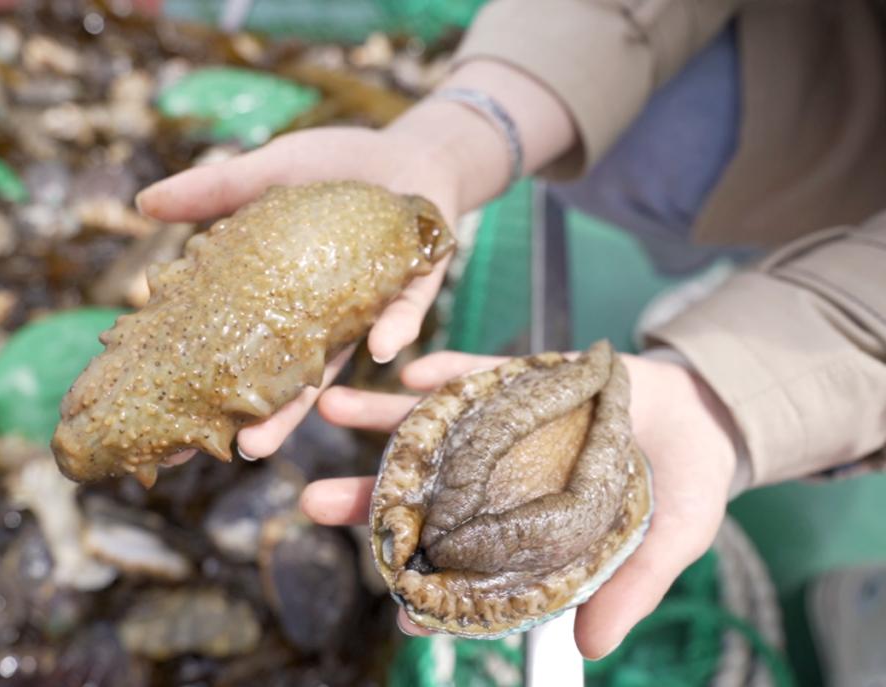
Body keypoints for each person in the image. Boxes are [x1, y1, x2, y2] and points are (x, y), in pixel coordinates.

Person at [135, 0, 886, 660]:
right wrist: (466, 131)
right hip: (825, 46)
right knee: (639, 149)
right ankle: (758, 267)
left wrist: (734, 393)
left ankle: (767, 293)